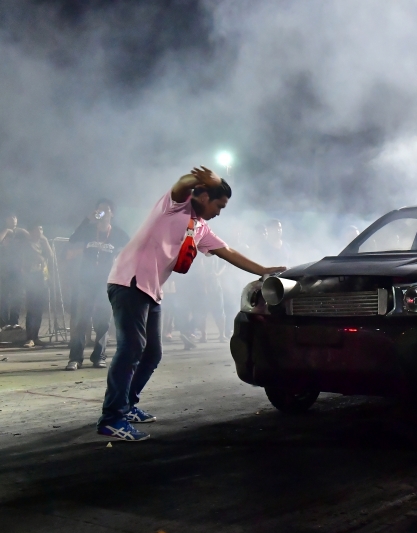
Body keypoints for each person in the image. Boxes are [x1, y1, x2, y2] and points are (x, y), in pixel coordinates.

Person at [97, 166, 285, 441]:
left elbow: (228, 252)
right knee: (132, 347)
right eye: (219, 205)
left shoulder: (200, 227)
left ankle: (127, 406)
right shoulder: (175, 207)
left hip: (150, 290)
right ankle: (111, 418)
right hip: (129, 282)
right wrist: (204, 179)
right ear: (204, 196)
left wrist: (263, 270)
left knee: (152, 354)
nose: (220, 211)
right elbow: (181, 184)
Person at [65, 199, 130, 370]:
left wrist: (120, 259)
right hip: (86, 282)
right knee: (81, 320)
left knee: (103, 321)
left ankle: (99, 356)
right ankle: (75, 358)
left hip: (107, 283)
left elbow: (132, 248)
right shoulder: (87, 230)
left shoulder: (118, 233)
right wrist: (87, 219)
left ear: (112, 214)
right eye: (99, 210)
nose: (103, 213)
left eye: (106, 210)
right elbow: (72, 240)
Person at [19, 223, 54, 347]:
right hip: (31, 279)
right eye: (37, 229)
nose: (39, 232)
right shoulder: (26, 244)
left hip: (43, 278)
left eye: (41, 229)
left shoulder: (42, 243)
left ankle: (36, 336)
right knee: (32, 309)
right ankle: (29, 338)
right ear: (31, 231)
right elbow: (24, 261)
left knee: (39, 309)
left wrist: (45, 241)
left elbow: (51, 256)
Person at [0, 213, 24, 331]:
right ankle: (3, 323)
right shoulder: (4, 232)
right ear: (6, 220)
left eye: (15, 217)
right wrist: (6, 230)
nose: (13, 220)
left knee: (17, 296)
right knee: (4, 296)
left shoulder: (20, 233)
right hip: (5, 270)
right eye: (11, 218)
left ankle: (14, 321)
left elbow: (30, 237)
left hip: (18, 270)